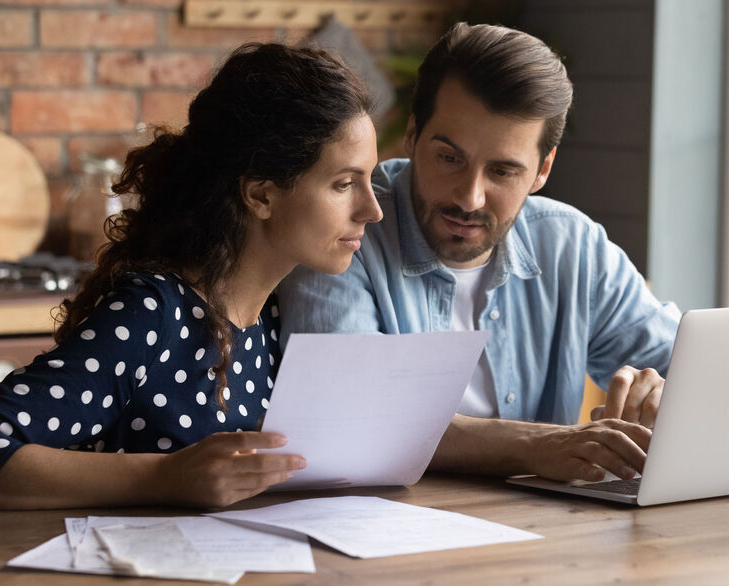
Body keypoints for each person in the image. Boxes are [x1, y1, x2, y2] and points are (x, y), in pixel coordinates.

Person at [0, 43, 383, 509]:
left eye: (369, 180)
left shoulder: (275, 313)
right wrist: (163, 475)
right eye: (344, 184)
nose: (371, 210)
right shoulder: (152, 315)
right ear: (261, 196)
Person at [276, 23, 681, 484]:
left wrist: (666, 393)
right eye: (449, 158)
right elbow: (351, 415)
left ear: (542, 170)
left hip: (546, 535)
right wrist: (537, 447)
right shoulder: (347, 232)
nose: (469, 198)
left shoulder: (573, 246)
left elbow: (692, 368)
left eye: (503, 172)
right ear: (412, 135)